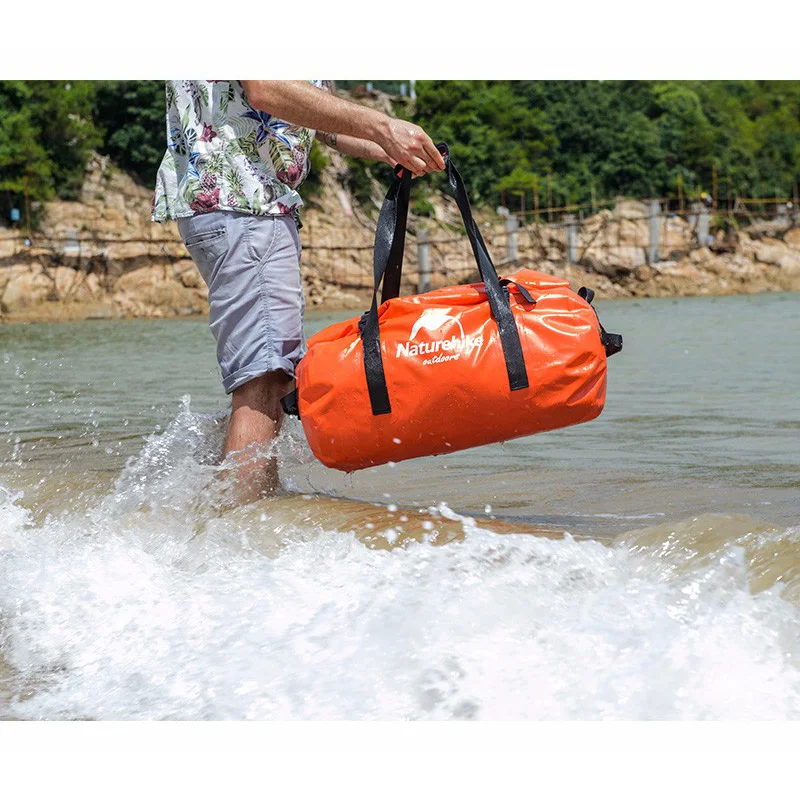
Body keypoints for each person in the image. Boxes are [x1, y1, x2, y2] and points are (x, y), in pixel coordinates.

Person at [152, 80, 445, 504]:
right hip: (246, 204)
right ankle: (235, 543)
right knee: (265, 380)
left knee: (272, 378)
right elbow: (266, 88)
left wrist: (377, 144)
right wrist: (381, 125)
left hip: (232, 205)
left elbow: (304, 114)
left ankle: (215, 511)